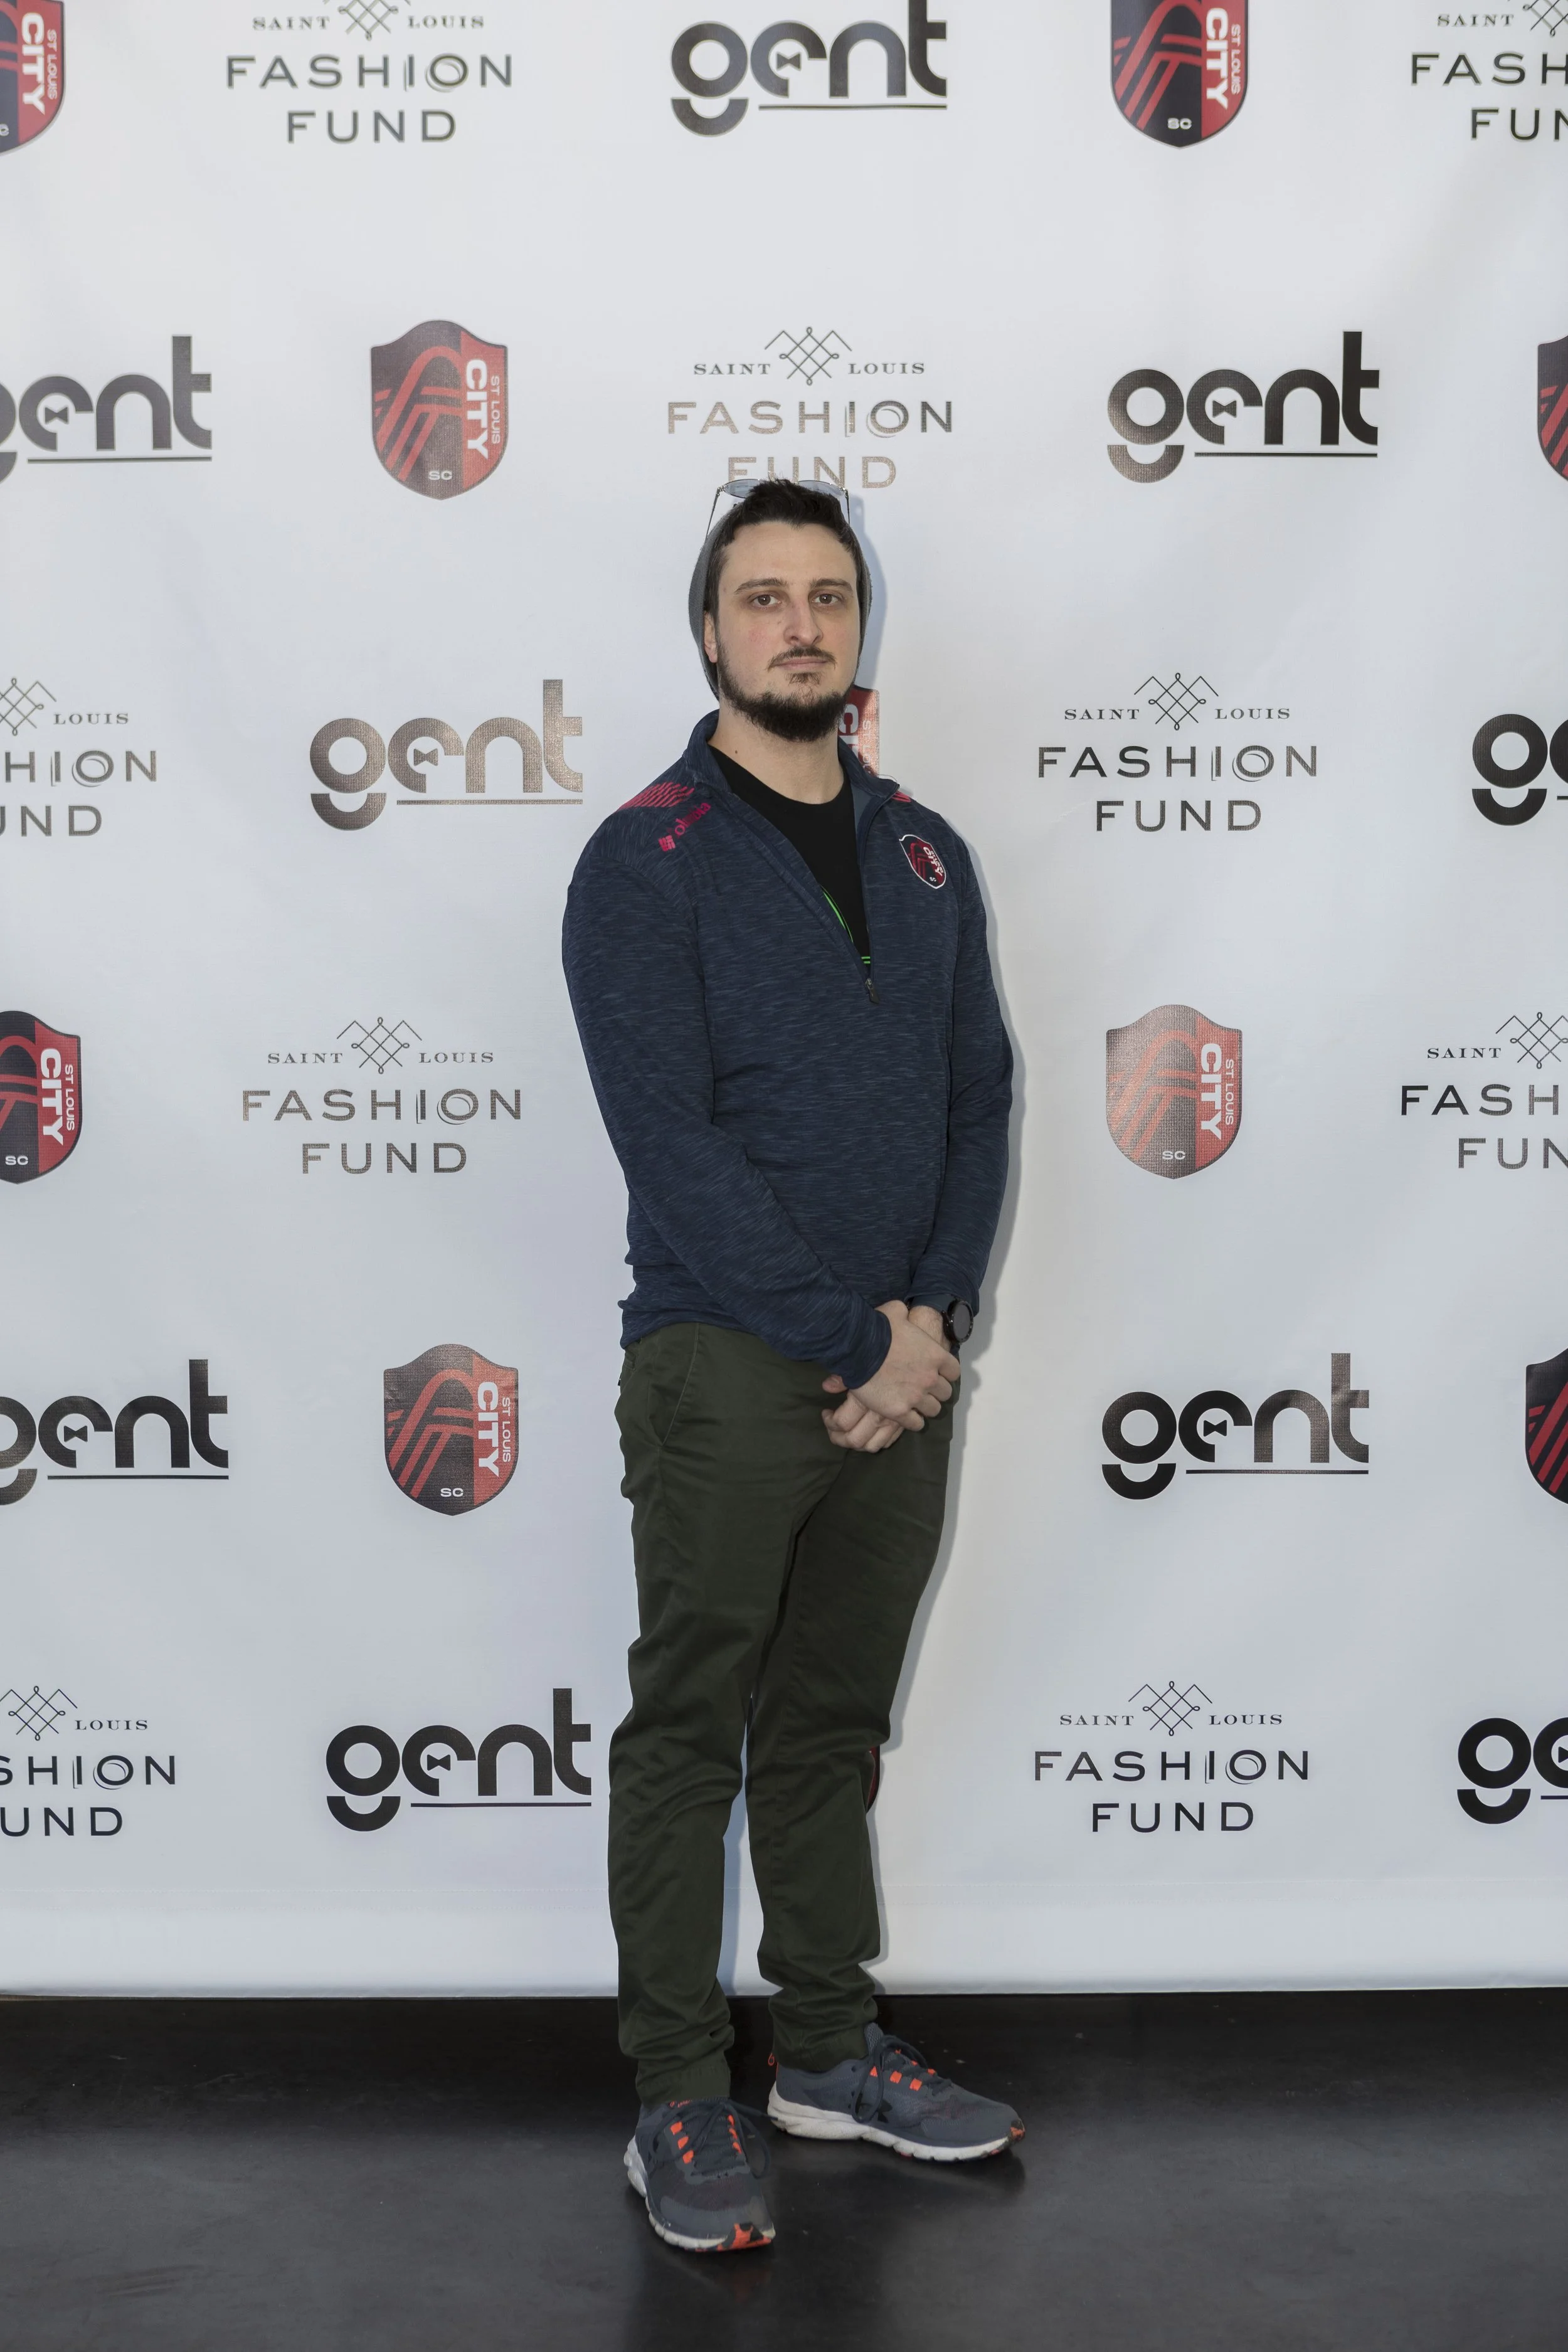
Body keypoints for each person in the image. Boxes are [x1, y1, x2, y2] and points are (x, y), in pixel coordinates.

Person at [561, 476, 1019, 2255]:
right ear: (710, 631)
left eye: (826, 596)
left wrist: (933, 1322)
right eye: (763, 597)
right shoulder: (645, 858)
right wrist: (856, 1340)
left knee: (826, 1725)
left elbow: (979, 1094)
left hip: (902, 1367)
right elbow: (670, 1145)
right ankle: (679, 2088)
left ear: (858, 626)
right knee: (693, 1726)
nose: (799, 625)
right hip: (728, 1362)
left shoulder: (926, 851)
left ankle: (825, 2046)